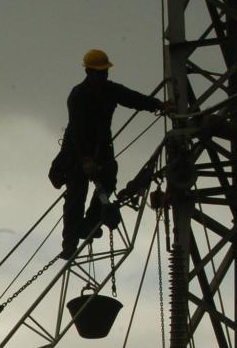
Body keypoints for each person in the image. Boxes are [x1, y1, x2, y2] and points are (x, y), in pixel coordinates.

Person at [56, 49, 167, 259]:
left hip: (102, 149)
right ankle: (69, 245)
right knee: (75, 197)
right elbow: (77, 130)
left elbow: (134, 99)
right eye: (99, 72)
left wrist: (159, 105)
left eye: (104, 72)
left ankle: (90, 224)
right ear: (89, 72)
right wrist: (85, 160)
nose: (103, 76)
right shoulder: (78, 96)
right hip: (76, 151)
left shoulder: (110, 90)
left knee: (107, 183)